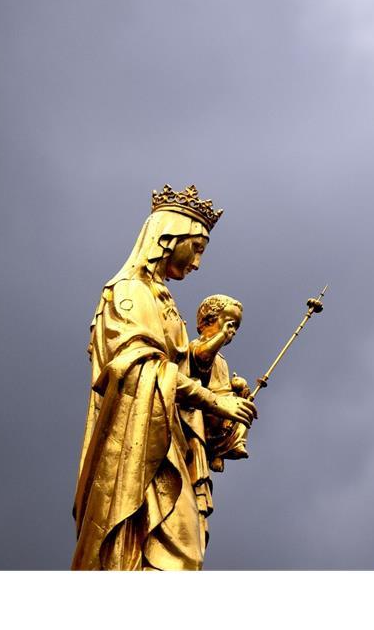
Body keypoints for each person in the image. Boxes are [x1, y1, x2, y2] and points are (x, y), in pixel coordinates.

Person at [72, 184, 256, 570]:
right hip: (139, 453)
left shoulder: (163, 300)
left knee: (185, 553)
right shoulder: (127, 293)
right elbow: (138, 367)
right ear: (168, 237)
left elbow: (176, 368)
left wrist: (216, 390)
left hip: (170, 444)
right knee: (176, 555)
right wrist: (212, 400)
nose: (198, 264)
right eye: (198, 247)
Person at [192, 293, 253, 473]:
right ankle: (217, 449)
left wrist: (240, 388)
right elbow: (201, 359)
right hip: (206, 402)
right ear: (208, 320)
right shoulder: (197, 346)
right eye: (230, 324)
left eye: (236, 328)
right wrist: (220, 338)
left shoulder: (221, 359)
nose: (232, 331)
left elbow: (224, 383)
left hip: (224, 399)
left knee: (244, 406)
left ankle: (228, 446)